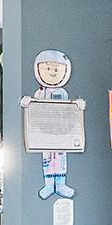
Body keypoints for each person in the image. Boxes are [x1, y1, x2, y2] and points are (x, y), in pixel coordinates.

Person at [22, 49, 77, 200]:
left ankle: (60, 184)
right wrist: (27, 102)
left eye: (56, 69)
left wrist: (77, 106)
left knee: (60, 159)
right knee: (47, 159)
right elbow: (33, 107)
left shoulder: (63, 93)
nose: (52, 72)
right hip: (44, 132)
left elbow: (68, 110)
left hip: (60, 133)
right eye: (48, 68)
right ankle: (48, 184)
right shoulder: (39, 93)